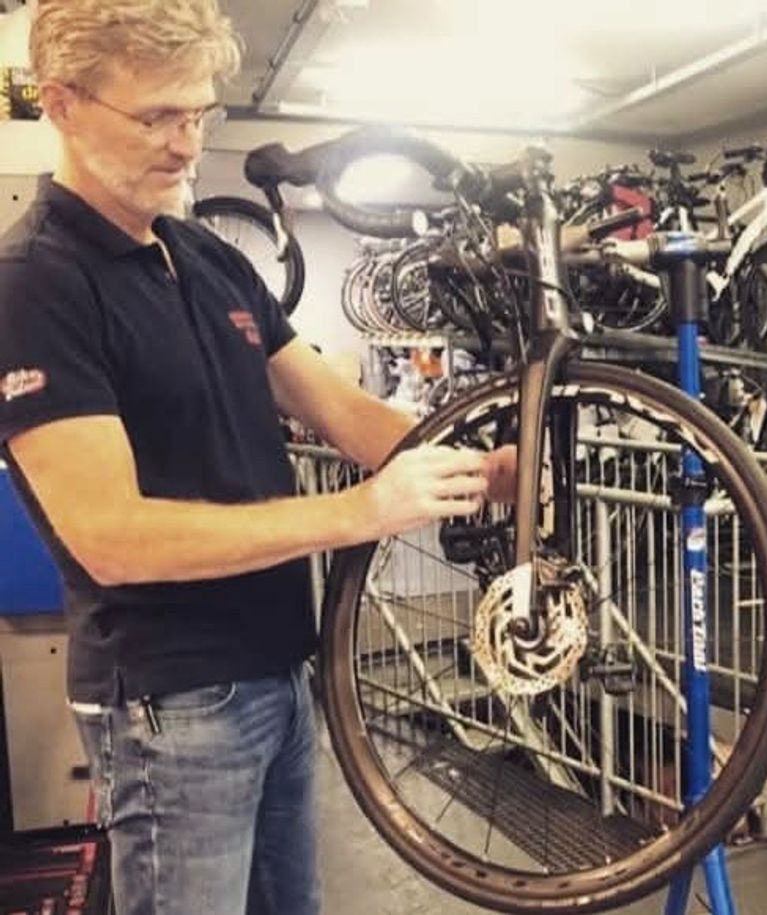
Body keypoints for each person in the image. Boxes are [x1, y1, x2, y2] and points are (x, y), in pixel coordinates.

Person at [0, 2, 514, 913]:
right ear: (64, 104)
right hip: (173, 707)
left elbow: (338, 406)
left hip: (281, 671)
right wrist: (362, 511)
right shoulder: (35, 284)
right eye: (156, 115)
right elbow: (112, 537)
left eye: (200, 113)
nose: (186, 145)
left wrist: (472, 464)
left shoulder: (206, 256)